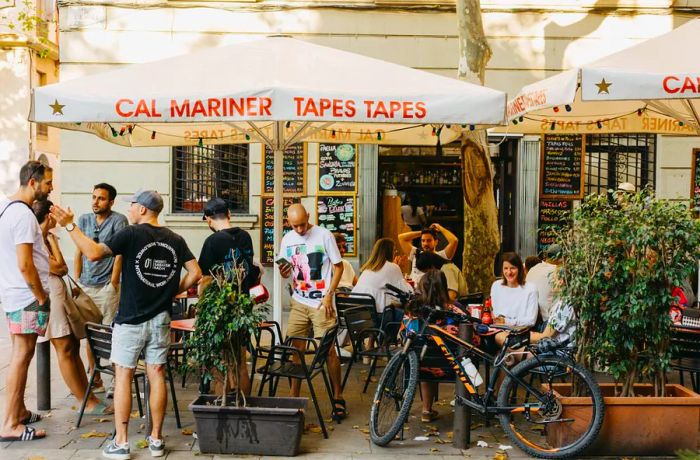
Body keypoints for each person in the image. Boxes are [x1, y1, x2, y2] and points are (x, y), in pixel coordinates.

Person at [51, 190, 202, 460]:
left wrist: (70, 226)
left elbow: (94, 253)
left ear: (143, 209)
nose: (129, 210)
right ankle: (156, 440)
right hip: (161, 320)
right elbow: (196, 273)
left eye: (132, 205)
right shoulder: (175, 240)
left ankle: (121, 443)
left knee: (123, 376)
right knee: (157, 375)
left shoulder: (131, 235)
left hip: (131, 320)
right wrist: (174, 291)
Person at [33, 199, 113, 416]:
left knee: (73, 346)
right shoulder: (36, 240)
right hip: (51, 298)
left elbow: (62, 267)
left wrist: (53, 242)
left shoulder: (48, 237)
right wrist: (55, 248)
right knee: (64, 349)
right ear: (50, 215)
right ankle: (84, 401)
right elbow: (58, 267)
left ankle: (89, 396)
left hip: (61, 295)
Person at [276, 204, 347, 420]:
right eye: (295, 225)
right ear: (288, 222)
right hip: (299, 301)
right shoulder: (287, 239)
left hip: (321, 303)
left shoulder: (324, 235)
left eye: (303, 224)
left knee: (329, 351)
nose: (299, 229)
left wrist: (329, 294)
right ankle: (294, 395)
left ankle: (338, 397)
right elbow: (286, 271)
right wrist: (283, 270)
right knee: (295, 349)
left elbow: (339, 267)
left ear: (309, 216)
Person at [0, 161, 53, 443]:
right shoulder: (22, 214)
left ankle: (18, 411)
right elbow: (24, 264)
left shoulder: (7, 208)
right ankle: (10, 423)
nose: (51, 187)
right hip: (27, 296)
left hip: (14, 294)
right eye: (47, 182)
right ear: (33, 182)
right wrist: (42, 297)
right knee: (22, 356)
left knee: (22, 353)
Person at [198, 197, 260, 396]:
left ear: (208, 219)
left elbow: (206, 278)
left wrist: (201, 306)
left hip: (220, 309)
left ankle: (222, 407)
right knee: (240, 361)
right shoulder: (245, 236)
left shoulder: (212, 241)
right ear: (229, 215)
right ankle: (244, 405)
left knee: (219, 363)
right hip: (243, 306)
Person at [75, 183, 128, 395]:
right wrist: (77, 279)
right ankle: (95, 379)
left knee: (111, 335)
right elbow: (79, 250)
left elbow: (120, 253)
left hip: (107, 287)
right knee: (90, 334)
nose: (96, 202)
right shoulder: (84, 219)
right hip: (86, 286)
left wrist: (114, 283)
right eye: (94, 197)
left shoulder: (118, 220)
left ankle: (117, 381)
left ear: (111, 201)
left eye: (101, 198)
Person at [402, 269, 459, 423]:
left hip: (416, 365)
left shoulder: (412, 309)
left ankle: (426, 409)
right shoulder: (454, 310)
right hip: (451, 368)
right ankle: (462, 408)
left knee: (426, 358)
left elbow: (402, 334)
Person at [352, 238, 412, 322]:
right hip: (376, 317)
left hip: (357, 314)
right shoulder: (392, 267)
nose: (395, 253)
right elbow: (406, 292)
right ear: (389, 251)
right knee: (401, 312)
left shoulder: (368, 268)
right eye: (394, 250)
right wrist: (399, 269)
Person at [490, 252, 538, 347]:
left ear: (520, 269)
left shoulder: (530, 288)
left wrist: (506, 321)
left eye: (512, 268)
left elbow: (531, 321)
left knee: (501, 338)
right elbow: (493, 311)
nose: (509, 272)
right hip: (496, 329)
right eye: (506, 268)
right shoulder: (496, 286)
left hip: (519, 333)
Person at [525, 244, 562, 329]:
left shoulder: (533, 269)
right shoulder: (556, 271)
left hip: (529, 319)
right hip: (545, 323)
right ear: (560, 259)